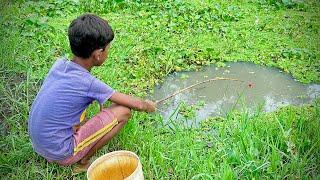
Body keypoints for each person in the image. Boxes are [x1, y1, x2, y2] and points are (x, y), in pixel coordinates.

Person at [28, 13, 156, 171]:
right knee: (123, 111)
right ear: (98, 54)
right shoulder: (88, 83)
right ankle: (83, 162)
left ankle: (73, 140)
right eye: (108, 48)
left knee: (82, 103)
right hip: (61, 152)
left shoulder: (59, 65)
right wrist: (148, 106)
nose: (108, 52)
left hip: (40, 144)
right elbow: (136, 104)